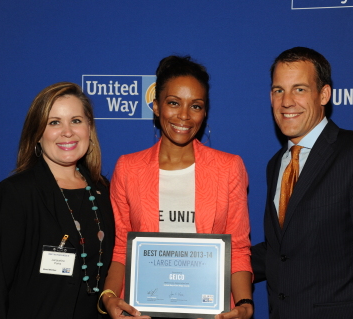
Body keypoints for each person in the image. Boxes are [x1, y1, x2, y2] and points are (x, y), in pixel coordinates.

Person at [251, 47, 353, 318]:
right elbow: (283, 251)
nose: (286, 101)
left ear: (323, 94)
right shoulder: (276, 164)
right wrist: (212, 259)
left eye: (299, 89)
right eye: (279, 90)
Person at [100, 56, 253, 319]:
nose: (184, 116)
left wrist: (245, 305)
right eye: (173, 103)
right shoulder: (128, 168)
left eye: (195, 106)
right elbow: (122, 249)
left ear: (205, 113)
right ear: (157, 107)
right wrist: (109, 298)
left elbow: (237, 248)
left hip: (211, 313)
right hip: (143, 312)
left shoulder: (229, 168)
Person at [0, 82, 115, 318]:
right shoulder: (14, 195)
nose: (67, 131)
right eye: (54, 122)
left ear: (89, 127)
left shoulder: (103, 192)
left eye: (76, 120)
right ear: (37, 133)